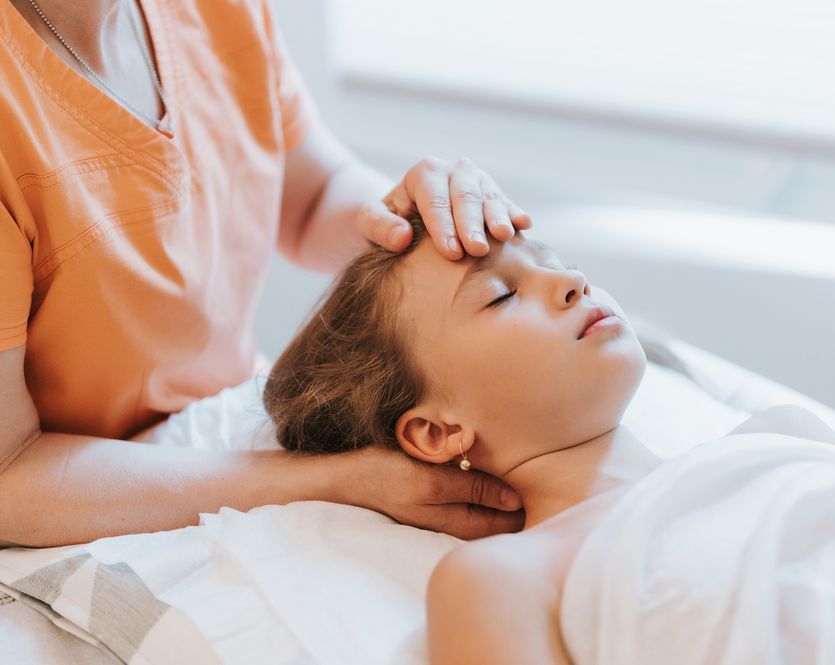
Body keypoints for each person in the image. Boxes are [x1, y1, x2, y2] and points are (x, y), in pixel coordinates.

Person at [263, 217, 835, 665]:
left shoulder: (779, 436)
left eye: (548, 257)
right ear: (437, 430)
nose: (569, 280)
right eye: (500, 293)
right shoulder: (504, 577)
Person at [0, 0, 529, 548]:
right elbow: (6, 478)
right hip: (74, 505)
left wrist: (414, 216)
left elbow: (312, 198)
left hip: (224, 430)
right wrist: (331, 482)